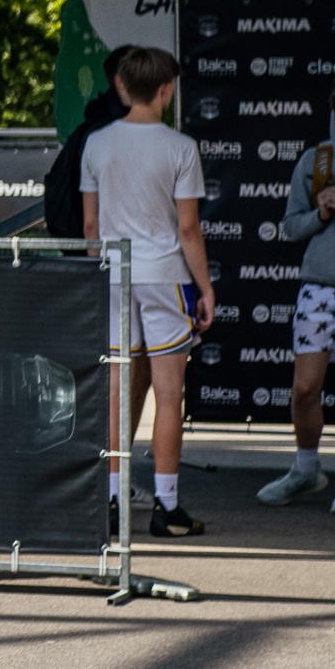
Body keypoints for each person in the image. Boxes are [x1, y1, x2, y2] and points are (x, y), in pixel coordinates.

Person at [78, 44, 213, 539]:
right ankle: (166, 506)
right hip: (163, 274)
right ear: (165, 89)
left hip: (114, 272)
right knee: (170, 394)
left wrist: (101, 271)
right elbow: (188, 229)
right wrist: (205, 288)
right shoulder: (180, 147)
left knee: (116, 391)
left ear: (121, 86)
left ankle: (112, 499)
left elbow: (90, 226)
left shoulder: (96, 144)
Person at [256, 85, 335, 515]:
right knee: (304, 387)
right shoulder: (313, 160)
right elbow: (291, 227)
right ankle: (306, 469)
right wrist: (321, 214)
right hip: (318, 286)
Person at [42, 45, 135, 238]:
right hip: (111, 245)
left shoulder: (91, 129)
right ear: (120, 81)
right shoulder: (104, 134)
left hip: (98, 245)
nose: (152, 83)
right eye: (144, 74)